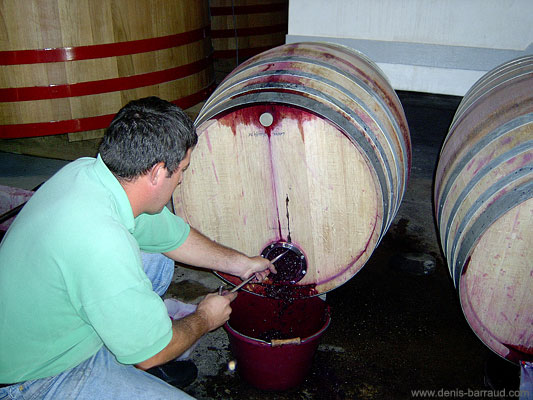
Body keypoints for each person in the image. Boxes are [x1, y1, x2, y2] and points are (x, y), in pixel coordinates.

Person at [0, 97, 276, 399]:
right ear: (157, 173)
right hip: (36, 376)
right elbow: (152, 352)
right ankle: (133, 344)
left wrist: (240, 263)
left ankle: (128, 336)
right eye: (182, 169)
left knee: (157, 259)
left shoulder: (88, 173)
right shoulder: (102, 243)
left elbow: (173, 236)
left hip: (49, 323)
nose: (181, 180)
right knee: (158, 357)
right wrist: (205, 318)